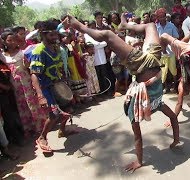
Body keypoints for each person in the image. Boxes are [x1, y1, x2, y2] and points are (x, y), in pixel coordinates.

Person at [67, 13, 180, 172]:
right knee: (151, 25)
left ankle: (80, 26)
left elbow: (139, 137)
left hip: (142, 63)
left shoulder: (137, 110)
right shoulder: (159, 104)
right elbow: (172, 118)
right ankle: (125, 25)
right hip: (153, 58)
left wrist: (140, 161)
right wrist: (175, 139)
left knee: (108, 34)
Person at [27, 20, 74, 152]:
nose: (55, 37)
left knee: (68, 108)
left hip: (57, 84)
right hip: (45, 87)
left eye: (56, 35)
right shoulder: (39, 51)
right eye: (51, 35)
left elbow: (57, 67)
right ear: (43, 35)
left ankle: (62, 131)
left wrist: (63, 80)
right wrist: (41, 96)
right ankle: (42, 137)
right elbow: (34, 74)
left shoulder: (56, 48)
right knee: (53, 115)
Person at [1, 31, 46, 136]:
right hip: (14, 85)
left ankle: (39, 126)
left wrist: (27, 65)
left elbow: (29, 68)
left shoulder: (22, 53)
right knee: (21, 106)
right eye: (9, 40)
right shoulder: (2, 56)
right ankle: (28, 128)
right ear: (4, 42)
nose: (12, 42)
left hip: (26, 82)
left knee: (32, 103)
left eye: (14, 40)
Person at [160, 29, 190, 120]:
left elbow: (179, 104)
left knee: (164, 36)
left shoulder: (182, 85)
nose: (185, 94)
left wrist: (173, 120)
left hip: (188, 50)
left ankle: (164, 51)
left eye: (184, 94)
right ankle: (180, 43)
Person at [155, 8, 179, 94]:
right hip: (161, 53)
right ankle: (165, 87)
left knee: (173, 71)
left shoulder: (171, 26)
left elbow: (176, 37)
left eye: (163, 17)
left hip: (171, 51)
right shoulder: (156, 27)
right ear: (158, 18)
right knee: (163, 71)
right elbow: (155, 40)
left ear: (166, 17)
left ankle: (176, 87)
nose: (162, 18)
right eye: (160, 17)